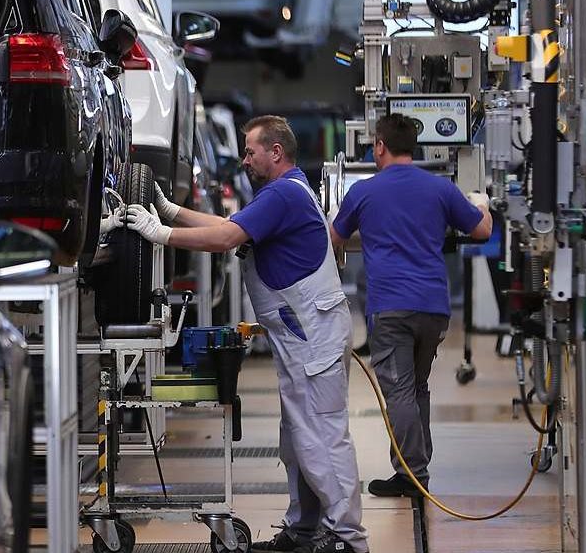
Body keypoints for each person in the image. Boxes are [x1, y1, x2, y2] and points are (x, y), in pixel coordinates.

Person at [125, 115, 368, 553]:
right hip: (303, 339)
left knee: (322, 437)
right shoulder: (284, 193)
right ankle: (304, 531)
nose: (244, 159)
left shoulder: (282, 196)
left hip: (312, 339)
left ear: (276, 152)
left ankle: (347, 539)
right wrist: (171, 210)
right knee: (297, 441)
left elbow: (224, 239)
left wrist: (160, 233)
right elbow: (225, 225)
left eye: (251, 150)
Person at [329, 114, 492, 498]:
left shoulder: (364, 192)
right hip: (433, 306)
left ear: (380, 146)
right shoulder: (439, 189)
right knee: (418, 387)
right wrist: (481, 203)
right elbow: (482, 230)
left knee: (399, 392)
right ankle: (414, 468)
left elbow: (332, 239)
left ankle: (412, 476)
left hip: (391, 307)